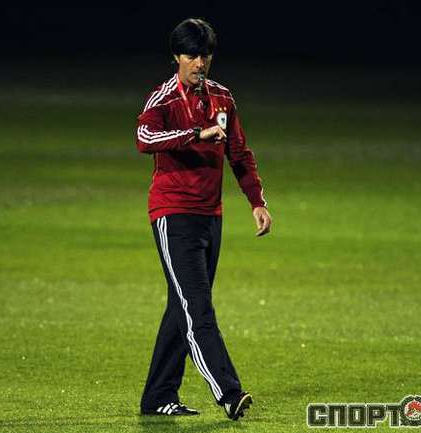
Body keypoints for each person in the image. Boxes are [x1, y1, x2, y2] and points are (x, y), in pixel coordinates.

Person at [136, 18, 272, 421]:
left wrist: (256, 201)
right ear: (176, 56)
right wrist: (194, 134)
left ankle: (158, 395)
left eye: (205, 55)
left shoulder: (222, 98)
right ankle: (229, 393)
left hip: (211, 216)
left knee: (183, 306)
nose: (200, 63)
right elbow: (144, 139)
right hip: (173, 213)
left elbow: (239, 153)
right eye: (192, 55)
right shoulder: (163, 98)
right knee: (197, 307)